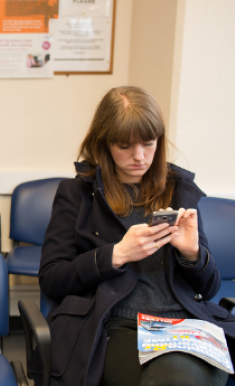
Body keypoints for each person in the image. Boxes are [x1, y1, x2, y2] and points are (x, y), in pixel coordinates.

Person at [38, 86, 235, 386]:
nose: (139, 157)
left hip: (185, 323)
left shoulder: (178, 190)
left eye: (148, 143)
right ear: (103, 144)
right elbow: (52, 278)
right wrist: (116, 254)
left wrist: (192, 254)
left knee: (181, 376)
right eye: (124, 146)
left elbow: (208, 289)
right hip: (120, 324)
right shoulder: (77, 194)